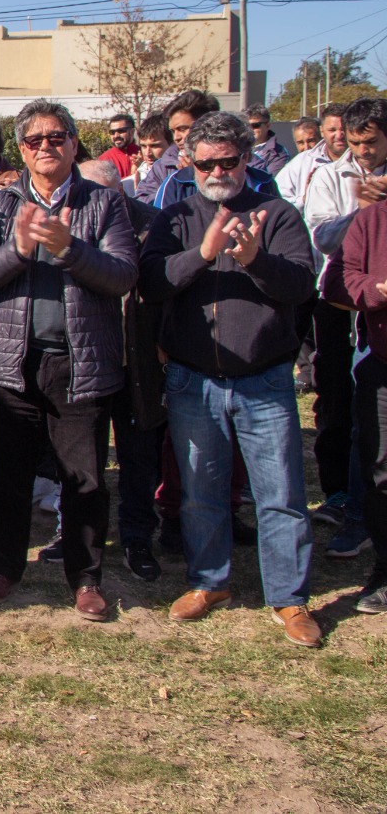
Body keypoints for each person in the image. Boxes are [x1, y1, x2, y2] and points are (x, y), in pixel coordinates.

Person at [138, 112, 322, 648]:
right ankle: (208, 581)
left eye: (229, 160)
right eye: (206, 162)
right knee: (200, 492)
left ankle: (289, 597)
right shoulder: (174, 218)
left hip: (262, 379)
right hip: (194, 378)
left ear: (247, 159)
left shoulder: (277, 214)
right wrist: (204, 253)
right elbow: (151, 282)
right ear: (188, 163)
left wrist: (255, 259)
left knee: (281, 493)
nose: (218, 170)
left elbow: (300, 287)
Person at [0, 100, 137, 621]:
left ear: (73, 143)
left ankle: (85, 578)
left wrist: (69, 249)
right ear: (21, 148)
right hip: (15, 361)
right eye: (35, 140)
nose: (46, 147)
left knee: (83, 477)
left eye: (57, 137)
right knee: (9, 474)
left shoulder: (103, 203)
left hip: (79, 361)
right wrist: (17, 251)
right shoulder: (2, 204)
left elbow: (123, 274)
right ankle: (5, 568)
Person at [301, 98, 387, 554]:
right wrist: (364, 212)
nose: (362, 152)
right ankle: (349, 506)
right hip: (346, 305)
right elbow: (323, 237)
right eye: (355, 143)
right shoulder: (330, 176)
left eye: (371, 142)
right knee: (346, 408)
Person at [80, 158, 166, 581]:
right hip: (88, 356)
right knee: (85, 458)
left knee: (137, 457)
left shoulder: (153, 225)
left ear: (117, 192)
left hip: (138, 359)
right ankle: (77, 536)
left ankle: (137, 537)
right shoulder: (71, 219)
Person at [319, 144, 387, 613]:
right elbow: (337, 283)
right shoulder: (373, 219)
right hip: (383, 362)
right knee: (381, 472)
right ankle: (384, 570)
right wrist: (377, 290)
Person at [152, 92, 276, 209]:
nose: (176, 137)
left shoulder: (261, 179)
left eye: (228, 163)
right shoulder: (172, 180)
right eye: (205, 164)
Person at [276, 103, 347, 210]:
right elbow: (277, 201)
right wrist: (304, 199)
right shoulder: (300, 163)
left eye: (343, 129)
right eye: (332, 130)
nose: (339, 135)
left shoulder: (364, 161)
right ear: (322, 131)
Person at [131, 114, 170, 201]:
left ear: (172, 143)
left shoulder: (179, 174)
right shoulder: (133, 180)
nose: (148, 153)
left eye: (154, 146)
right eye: (144, 146)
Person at [247, 107, 290, 175]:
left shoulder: (279, 153)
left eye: (255, 125)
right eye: (247, 126)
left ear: (267, 126)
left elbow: (270, 180)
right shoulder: (236, 148)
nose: (250, 129)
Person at [98, 113, 140, 178]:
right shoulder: (104, 159)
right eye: (112, 132)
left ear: (132, 131)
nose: (116, 135)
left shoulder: (144, 155)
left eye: (121, 131)